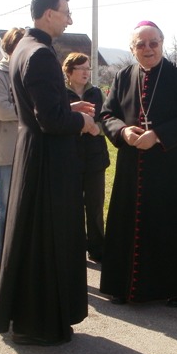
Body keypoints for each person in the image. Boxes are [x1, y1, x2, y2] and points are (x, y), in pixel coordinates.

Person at [0, 0, 99, 346]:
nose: (69, 19)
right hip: (46, 161)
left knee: (34, 238)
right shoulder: (39, 54)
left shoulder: (24, 47)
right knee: (45, 242)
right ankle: (37, 323)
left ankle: (34, 318)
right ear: (49, 13)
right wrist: (82, 122)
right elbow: (50, 121)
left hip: (34, 153)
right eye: (66, 12)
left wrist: (69, 108)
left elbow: (40, 111)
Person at [99, 20, 177, 308]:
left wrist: (157, 135)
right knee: (128, 222)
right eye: (141, 44)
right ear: (132, 49)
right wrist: (123, 132)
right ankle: (124, 285)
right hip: (133, 164)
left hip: (173, 164)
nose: (148, 49)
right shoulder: (123, 76)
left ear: (162, 43)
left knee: (174, 223)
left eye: (153, 43)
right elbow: (107, 115)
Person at [63, 52, 110, 263]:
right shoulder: (60, 95)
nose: (85, 72)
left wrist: (95, 129)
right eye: (81, 68)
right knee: (71, 206)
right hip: (69, 159)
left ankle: (98, 249)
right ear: (69, 72)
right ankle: (73, 249)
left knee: (95, 204)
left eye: (88, 68)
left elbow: (107, 121)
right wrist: (77, 126)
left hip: (94, 157)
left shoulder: (96, 93)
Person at [0, 27, 25, 263]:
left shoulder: (26, 74)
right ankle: (4, 259)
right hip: (6, 151)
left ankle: (21, 257)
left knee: (25, 208)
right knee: (6, 207)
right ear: (9, 48)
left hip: (28, 148)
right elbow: (1, 110)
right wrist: (32, 111)